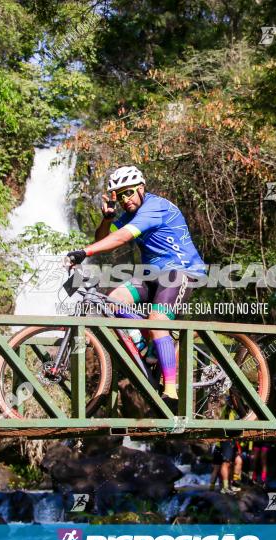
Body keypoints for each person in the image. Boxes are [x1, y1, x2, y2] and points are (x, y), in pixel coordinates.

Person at [65, 165, 206, 411]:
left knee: (157, 320)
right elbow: (104, 237)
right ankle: (144, 344)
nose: (125, 199)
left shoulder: (154, 207)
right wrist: (107, 219)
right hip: (153, 275)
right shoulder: (128, 215)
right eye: (119, 196)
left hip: (180, 272)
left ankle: (171, 393)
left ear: (141, 189)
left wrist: (83, 252)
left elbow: (120, 239)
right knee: (113, 300)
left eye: (128, 192)